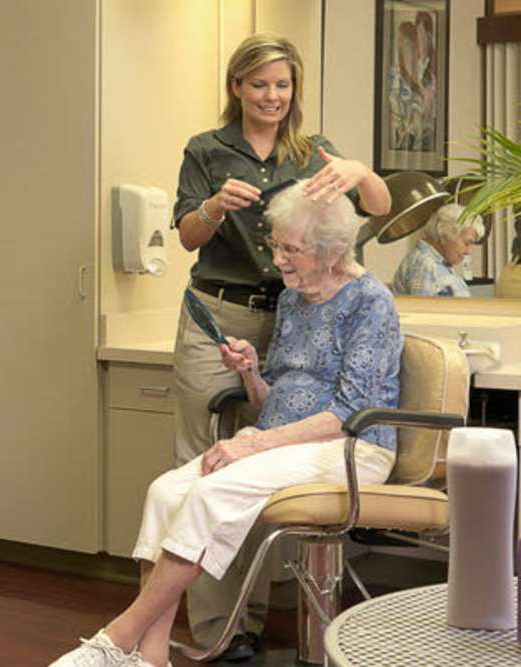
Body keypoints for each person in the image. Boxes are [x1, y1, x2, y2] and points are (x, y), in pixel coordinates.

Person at [51, 180, 401, 667]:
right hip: (282, 444)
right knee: (165, 492)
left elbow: (348, 414)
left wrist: (252, 448)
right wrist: (251, 372)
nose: (278, 259)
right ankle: (150, 658)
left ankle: (117, 637)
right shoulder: (294, 298)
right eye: (275, 245)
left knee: (212, 493)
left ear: (332, 251)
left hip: (352, 449)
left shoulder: (369, 302)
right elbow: (273, 401)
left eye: (292, 249)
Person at [168, 33, 392, 659]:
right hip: (221, 314)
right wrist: (213, 206)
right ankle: (219, 633)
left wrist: (363, 173)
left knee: (260, 471)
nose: (272, 95)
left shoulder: (313, 151)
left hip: (299, 314)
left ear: (294, 90)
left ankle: (250, 617)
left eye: (283, 84)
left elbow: (380, 207)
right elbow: (188, 237)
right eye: (260, 83)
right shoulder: (206, 150)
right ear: (237, 86)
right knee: (208, 460)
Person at [392, 203, 484, 297]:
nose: (468, 251)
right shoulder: (425, 265)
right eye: (467, 243)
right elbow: (423, 310)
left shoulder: (438, 263)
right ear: (446, 234)